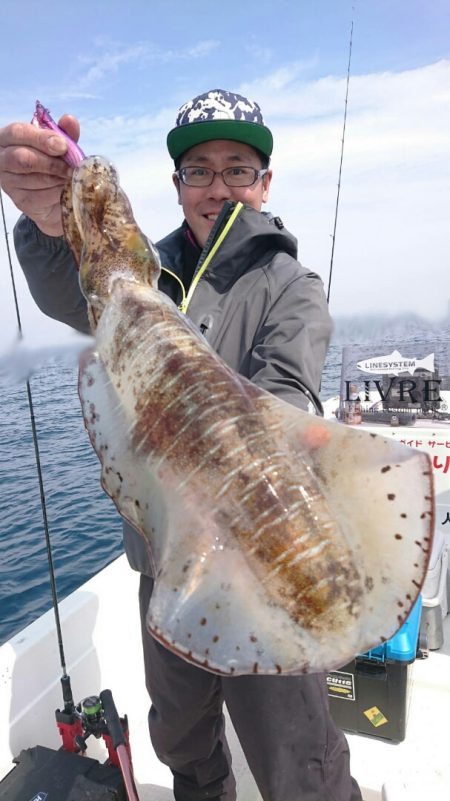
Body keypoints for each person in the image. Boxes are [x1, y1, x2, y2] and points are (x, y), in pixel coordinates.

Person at [0, 88, 362, 801]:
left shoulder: (290, 286)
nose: (218, 186)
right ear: (176, 184)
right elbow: (75, 293)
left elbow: (287, 397)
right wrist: (50, 224)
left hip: (265, 577)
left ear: (264, 182)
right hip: (168, 569)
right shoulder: (140, 271)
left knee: (301, 767)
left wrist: (179, 379)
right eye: (199, 169)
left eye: (237, 168)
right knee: (183, 741)